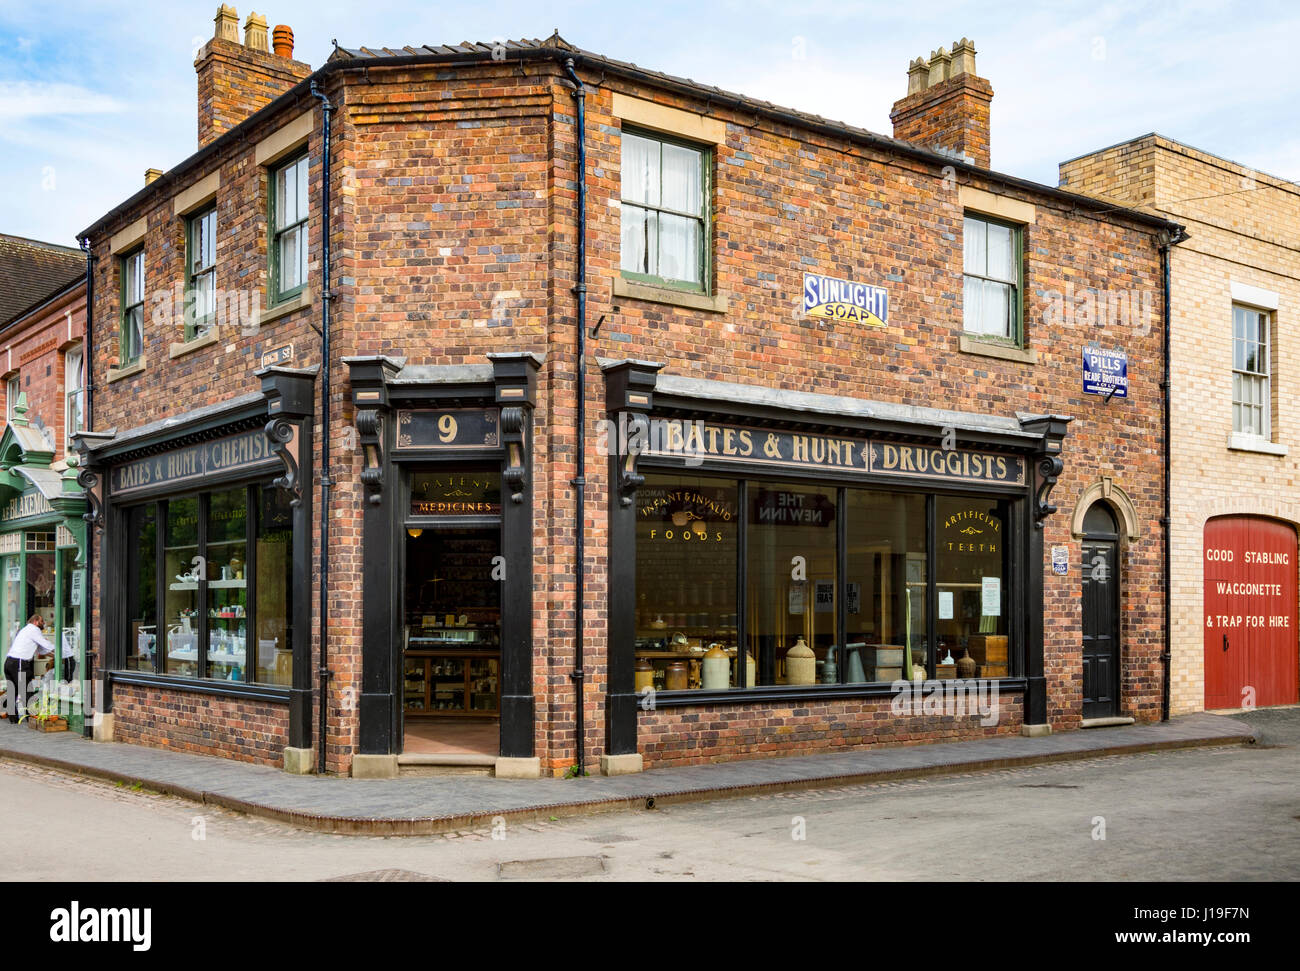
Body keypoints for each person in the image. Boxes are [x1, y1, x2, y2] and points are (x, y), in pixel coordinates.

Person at [4, 614, 55, 724]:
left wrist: (53, 655)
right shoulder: (34, 630)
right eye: (42, 621)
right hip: (20, 662)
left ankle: (13, 718)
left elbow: (41, 650)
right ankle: (32, 718)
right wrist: (58, 649)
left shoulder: (25, 630)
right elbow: (45, 644)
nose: (44, 623)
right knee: (27, 690)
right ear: (36, 621)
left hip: (9, 661)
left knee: (14, 690)